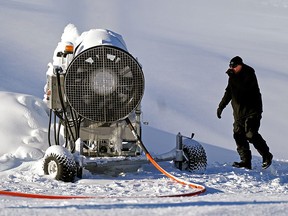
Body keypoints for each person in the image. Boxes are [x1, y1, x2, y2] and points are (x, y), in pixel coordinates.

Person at [217, 56, 273, 170]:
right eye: (230, 66)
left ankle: (267, 156)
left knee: (251, 134)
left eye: (234, 66)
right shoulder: (233, 77)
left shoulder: (249, 73)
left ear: (240, 65)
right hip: (239, 113)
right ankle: (245, 161)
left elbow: (244, 88)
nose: (232, 68)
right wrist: (221, 107)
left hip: (252, 111)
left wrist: (232, 77)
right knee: (238, 135)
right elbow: (229, 93)